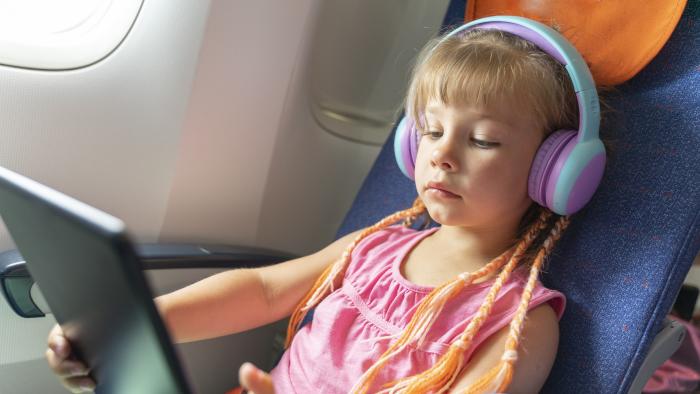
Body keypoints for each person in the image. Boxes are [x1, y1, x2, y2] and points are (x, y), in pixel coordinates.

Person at [45, 16, 606, 394]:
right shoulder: (374, 247)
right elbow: (261, 291)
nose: (443, 156)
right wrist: (135, 326)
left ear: (549, 171)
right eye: (431, 132)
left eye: (482, 140)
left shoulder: (520, 323)